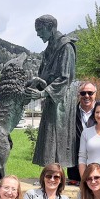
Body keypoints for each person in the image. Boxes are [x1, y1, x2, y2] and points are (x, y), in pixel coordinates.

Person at [25, 14, 77, 168]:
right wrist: (34, 84)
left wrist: (43, 93)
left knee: (56, 136)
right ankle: (49, 172)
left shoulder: (66, 47)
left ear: (51, 28)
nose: (38, 34)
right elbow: (44, 75)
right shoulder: (49, 49)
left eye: (40, 30)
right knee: (48, 137)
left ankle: (55, 174)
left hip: (61, 98)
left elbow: (65, 77)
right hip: (51, 97)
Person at [67, 81, 97, 183]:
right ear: (79, 94)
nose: (86, 96)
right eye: (83, 93)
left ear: (95, 94)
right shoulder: (70, 112)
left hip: (98, 164)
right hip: (75, 166)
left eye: (90, 93)